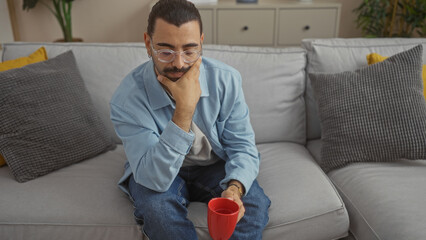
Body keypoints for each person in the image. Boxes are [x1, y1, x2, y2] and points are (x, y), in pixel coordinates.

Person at [110, 0, 270, 239]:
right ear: (147, 43)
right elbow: (153, 177)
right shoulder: (126, 100)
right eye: (165, 51)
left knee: (253, 207)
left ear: (201, 43)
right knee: (158, 210)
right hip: (155, 169)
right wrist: (184, 109)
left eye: (189, 50)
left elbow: (243, 147)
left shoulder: (226, 80)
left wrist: (234, 188)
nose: (179, 63)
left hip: (213, 166)